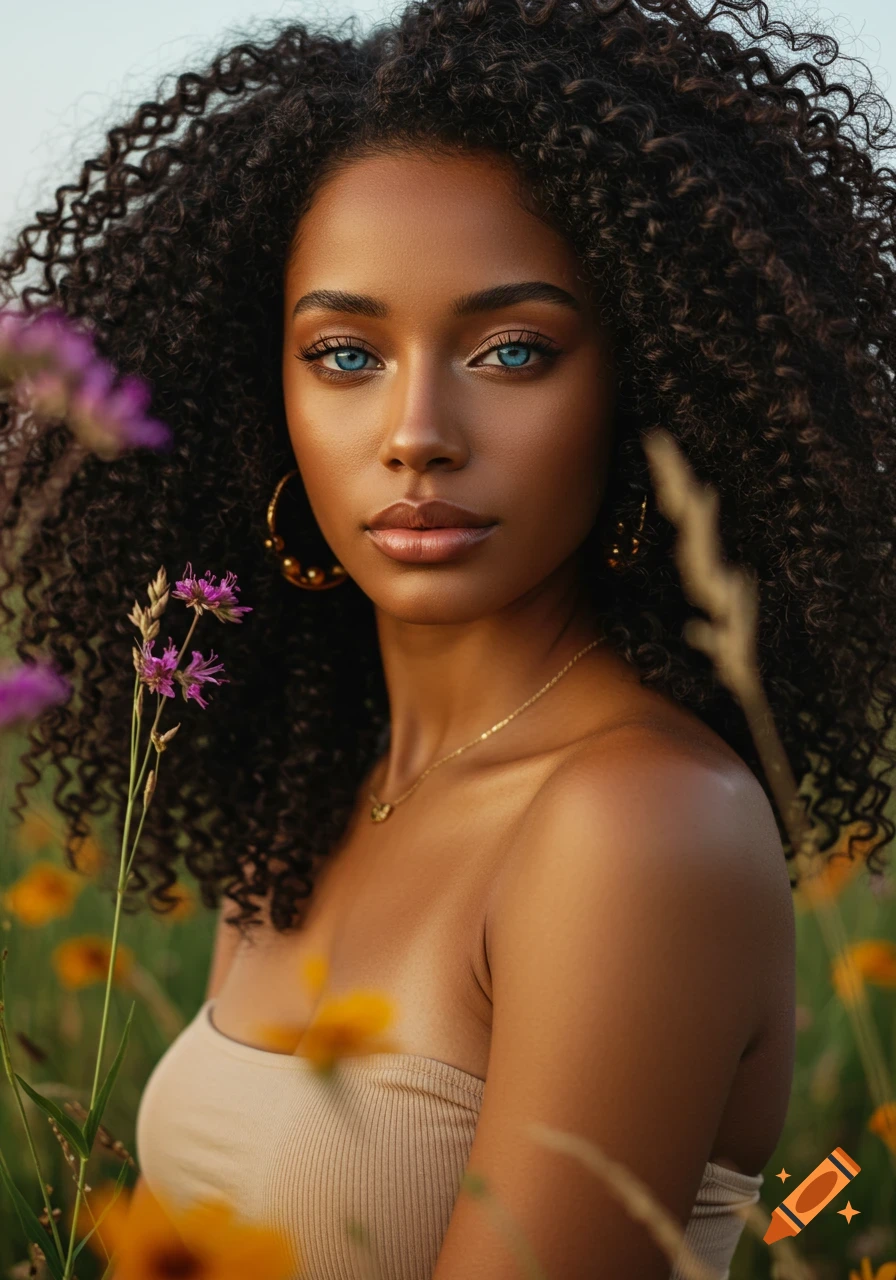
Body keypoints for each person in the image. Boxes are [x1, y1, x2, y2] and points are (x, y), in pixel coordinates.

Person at [2, 1, 894, 1277]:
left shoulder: (636, 822)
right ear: (270, 394)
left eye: (512, 349)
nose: (417, 428)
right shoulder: (318, 793)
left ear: (641, 379)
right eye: (347, 352)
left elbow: (824, 1198)